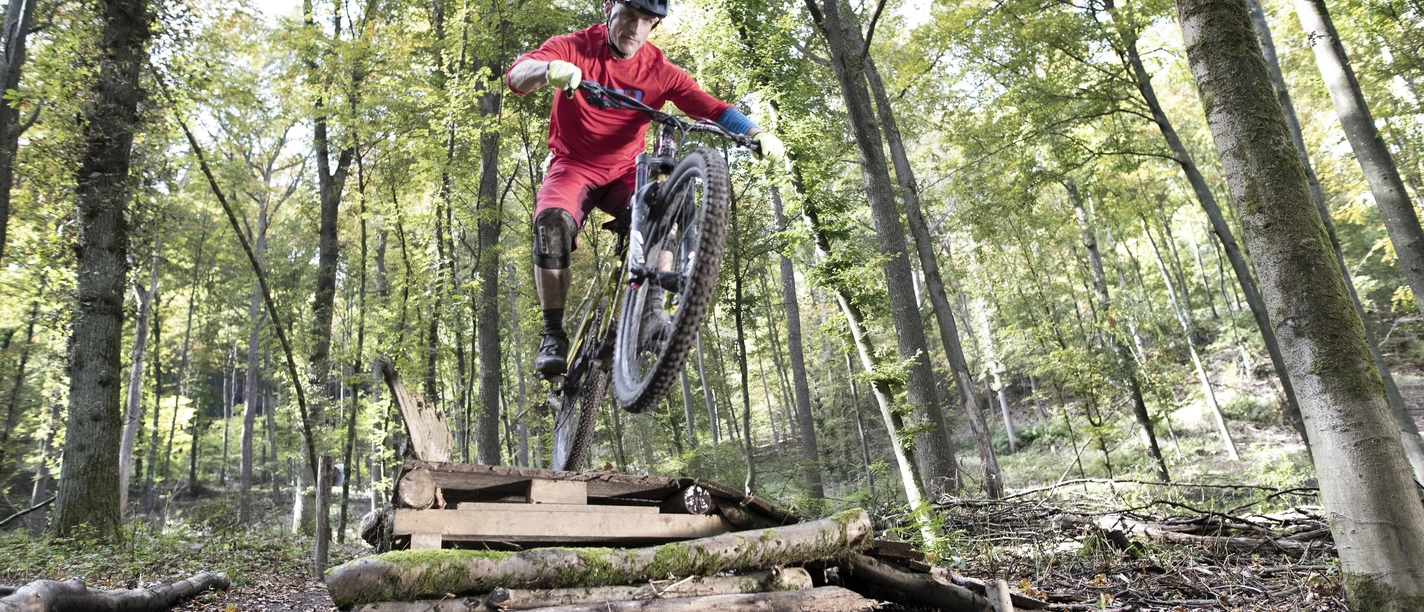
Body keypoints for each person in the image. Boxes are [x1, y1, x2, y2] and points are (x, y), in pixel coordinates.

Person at [506, 0, 785, 376]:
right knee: (552, 224)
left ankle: (653, 312)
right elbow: (517, 75)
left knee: (664, 210)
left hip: (625, 173)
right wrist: (548, 70)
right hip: (573, 165)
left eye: (647, 20)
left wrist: (754, 133)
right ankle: (553, 333)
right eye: (629, 15)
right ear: (609, 7)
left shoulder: (659, 70)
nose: (636, 28)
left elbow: (713, 108)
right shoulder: (574, 46)